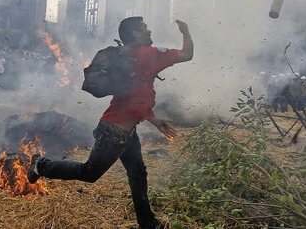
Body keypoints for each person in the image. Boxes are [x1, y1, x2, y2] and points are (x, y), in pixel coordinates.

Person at [26, 16, 194, 229]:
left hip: (126, 133)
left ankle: (148, 224)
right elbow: (187, 54)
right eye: (145, 28)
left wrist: (154, 120)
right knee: (89, 173)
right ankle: (41, 165)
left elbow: (135, 98)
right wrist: (185, 31)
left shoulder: (129, 57)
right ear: (136, 34)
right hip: (113, 133)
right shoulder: (148, 54)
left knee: (138, 175)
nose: (149, 30)